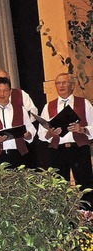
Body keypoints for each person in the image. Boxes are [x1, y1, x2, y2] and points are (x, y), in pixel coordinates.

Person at [38, 73, 93, 204]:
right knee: (60, 188)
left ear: (72, 86)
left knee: (85, 187)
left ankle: (88, 218)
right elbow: (41, 133)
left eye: (64, 82)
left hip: (79, 149)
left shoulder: (84, 103)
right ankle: (65, 221)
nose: (61, 86)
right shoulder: (48, 106)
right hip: (58, 151)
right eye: (58, 83)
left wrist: (82, 129)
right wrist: (50, 133)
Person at [0, 70, 40, 168]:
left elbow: (32, 124)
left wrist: (25, 132)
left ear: (10, 90)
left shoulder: (21, 103)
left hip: (19, 151)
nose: (2, 94)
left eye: (5, 90)